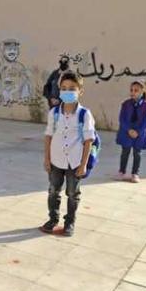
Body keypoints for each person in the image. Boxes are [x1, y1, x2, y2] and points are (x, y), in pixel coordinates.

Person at [40, 72, 96, 237]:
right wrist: (47, 159)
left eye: (72, 88)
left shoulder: (84, 114)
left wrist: (83, 164)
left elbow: (88, 141)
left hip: (75, 161)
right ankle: (53, 219)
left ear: (80, 91)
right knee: (53, 190)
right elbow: (48, 136)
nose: (67, 91)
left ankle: (69, 222)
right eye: (64, 88)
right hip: (56, 160)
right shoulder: (54, 113)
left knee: (72, 193)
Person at [115, 80, 146, 183]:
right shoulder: (126, 104)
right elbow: (122, 119)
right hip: (127, 132)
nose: (133, 92)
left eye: (136, 90)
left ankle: (135, 173)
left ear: (142, 92)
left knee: (137, 153)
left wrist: (138, 132)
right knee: (125, 152)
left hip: (139, 133)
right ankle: (121, 171)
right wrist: (129, 129)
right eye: (131, 90)